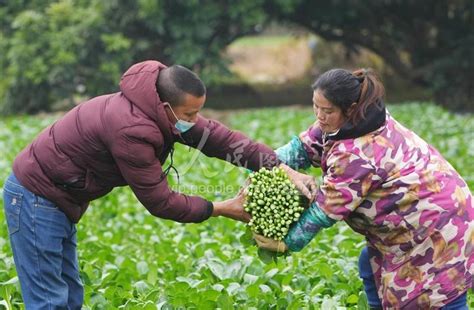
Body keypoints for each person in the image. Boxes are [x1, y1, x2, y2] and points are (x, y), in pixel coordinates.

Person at [2, 60, 316, 309]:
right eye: (189, 113)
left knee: (69, 296)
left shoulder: (160, 108)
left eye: (198, 112)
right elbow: (161, 202)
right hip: (36, 197)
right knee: (48, 301)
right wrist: (221, 208)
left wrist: (284, 168)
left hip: (61, 197)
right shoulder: (131, 131)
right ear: (165, 107)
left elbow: (223, 139)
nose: (195, 120)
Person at [253, 68, 473, 309]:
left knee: (431, 293)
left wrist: (287, 242)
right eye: (315, 107)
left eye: (326, 111)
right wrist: (257, 166)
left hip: (439, 227)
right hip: (418, 223)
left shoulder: (360, 153)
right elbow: (297, 151)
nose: (319, 116)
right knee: (370, 265)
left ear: (351, 108)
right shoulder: (346, 122)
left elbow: (324, 211)